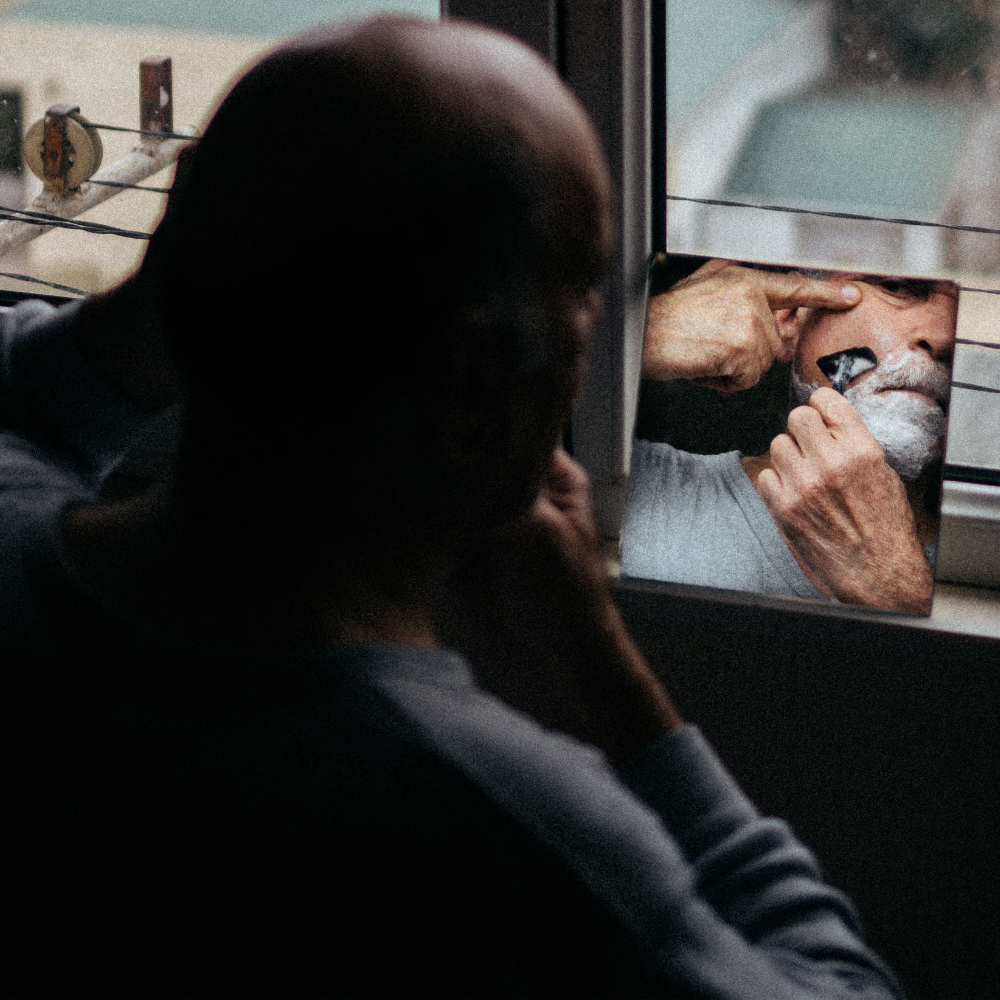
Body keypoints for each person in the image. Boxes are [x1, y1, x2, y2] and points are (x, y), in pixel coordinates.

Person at [3, 16, 904, 998]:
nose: (602, 329)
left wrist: (200, 283)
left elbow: (31, 404)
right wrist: (603, 680)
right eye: (585, 295)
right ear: (468, 385)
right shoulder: (489, 817)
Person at [623, 258, 957, 613]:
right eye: (896, 286)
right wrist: (645, 333)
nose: (945, 337)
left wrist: (900, 588)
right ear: (788, 317)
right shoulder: (631, 489)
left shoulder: (984, 556)